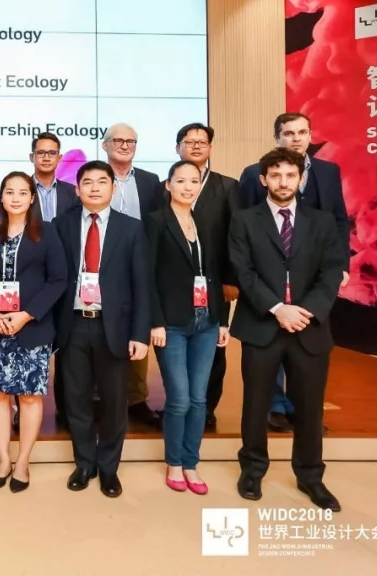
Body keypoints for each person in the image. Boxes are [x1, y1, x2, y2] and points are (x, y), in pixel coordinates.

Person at [231, 148, 345, 512]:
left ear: (301, 178)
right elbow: (243, 272)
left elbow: (332, 271)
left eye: (290, 175)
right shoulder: (244, 220)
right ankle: (252, 469)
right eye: (276, 175)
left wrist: (305, 311)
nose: (283, 182)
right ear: (263, 179)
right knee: (255, 404)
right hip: (262, 324)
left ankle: (310, 476)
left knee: (310, 408)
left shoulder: (322, 222)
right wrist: (278, 309)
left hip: (309, 327)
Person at [237, 112, 349, 434]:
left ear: (311, 135)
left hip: (314, 274)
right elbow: (245, 220)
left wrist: (341, 264)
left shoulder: (328, 172)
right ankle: (275, 407)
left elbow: (339, 218)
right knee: (269, 342)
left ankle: (304, 410)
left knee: (307, 348)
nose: (296, 138)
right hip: (268, 280)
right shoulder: (254, 173)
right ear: (277, 138)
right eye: (288, 133)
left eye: (302, 132)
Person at [54, 161, 150, 498]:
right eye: (88, 182)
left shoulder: (131, 228)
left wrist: (140, 333)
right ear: (77, 189)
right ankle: (84, 464)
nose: (94, 188)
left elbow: (142, 285)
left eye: (101, 182)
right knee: (76, 400)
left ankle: (109, 468)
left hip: (115, 328)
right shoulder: (61, 225)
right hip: (73, 324)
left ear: (113, 187)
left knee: (114, 402)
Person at [0, 172, 67, 493]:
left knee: (29, 396)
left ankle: (23, 461)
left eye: (22, 192)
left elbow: (58, 280)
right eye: (9, 192)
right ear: (1, 197)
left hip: (32, 327)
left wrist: (27, 315)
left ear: (31, 198)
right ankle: (3, 459)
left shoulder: (47, 232)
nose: (15, 198)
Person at [145, 161, 230, 495]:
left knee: (198, 399)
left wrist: (222, 320)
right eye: (181, 181)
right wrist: (155, 321)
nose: (188, 187)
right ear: (169, 185)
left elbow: (215, 275)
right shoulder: (155, 222)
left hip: (206, 321)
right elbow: (148, 276)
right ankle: (174, 462)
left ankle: (191, 462)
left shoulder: (206, 223)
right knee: (179, 398)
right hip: (172, 324)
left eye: (194, 181)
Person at [173, 123, 240, 429]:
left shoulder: (227, 186)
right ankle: (179, 404)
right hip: (176, 284)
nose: (197, 146)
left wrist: (231, 278)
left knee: (213, 348)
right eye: (190, 142)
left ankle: (206, 408)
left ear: (210, 148)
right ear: (178, 148)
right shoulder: (165, 187)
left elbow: (236, 236)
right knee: (177, 345)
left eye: (202, 142)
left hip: (215, 282)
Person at [102, 123, 164, 430]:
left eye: (131, 141)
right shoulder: (96, 176)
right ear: (105, 145)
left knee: (138, 325)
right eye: (118, 140)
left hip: (140, 263)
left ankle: (136, 399)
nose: (125, 145)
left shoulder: (151, 181)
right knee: (102, 329)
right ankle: (100, 399)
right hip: (100, 266)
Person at [29, 131, 80, 430]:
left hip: (66, 276)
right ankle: (24, 405)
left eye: (52, 152)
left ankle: (66, 408)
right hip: (31, 276)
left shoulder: (73, 193)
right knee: (30, 343)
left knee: (67, 346)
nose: (46, 157)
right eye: (41, 152)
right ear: (32, 157)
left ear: (60, 158)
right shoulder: (21, 189)